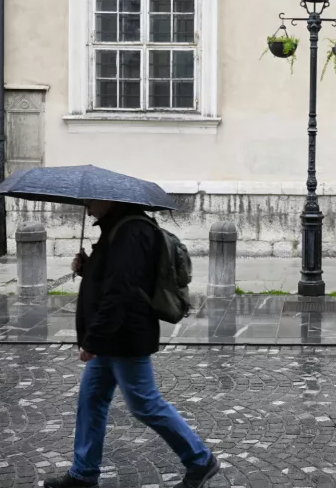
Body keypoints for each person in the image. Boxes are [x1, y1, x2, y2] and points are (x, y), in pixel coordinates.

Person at [44, 199, 219, 488]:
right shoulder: (119, 229)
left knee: (145, 404)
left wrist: (93, 340)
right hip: (113, 338)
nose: (86, 208)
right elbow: (114, 278)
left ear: (108, 200)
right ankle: (83, 473)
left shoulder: (132, 232)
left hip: (125, 336)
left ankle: (200, 460)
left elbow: (120, 292)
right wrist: (88, 268)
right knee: (91, 399)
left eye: (90, 201)